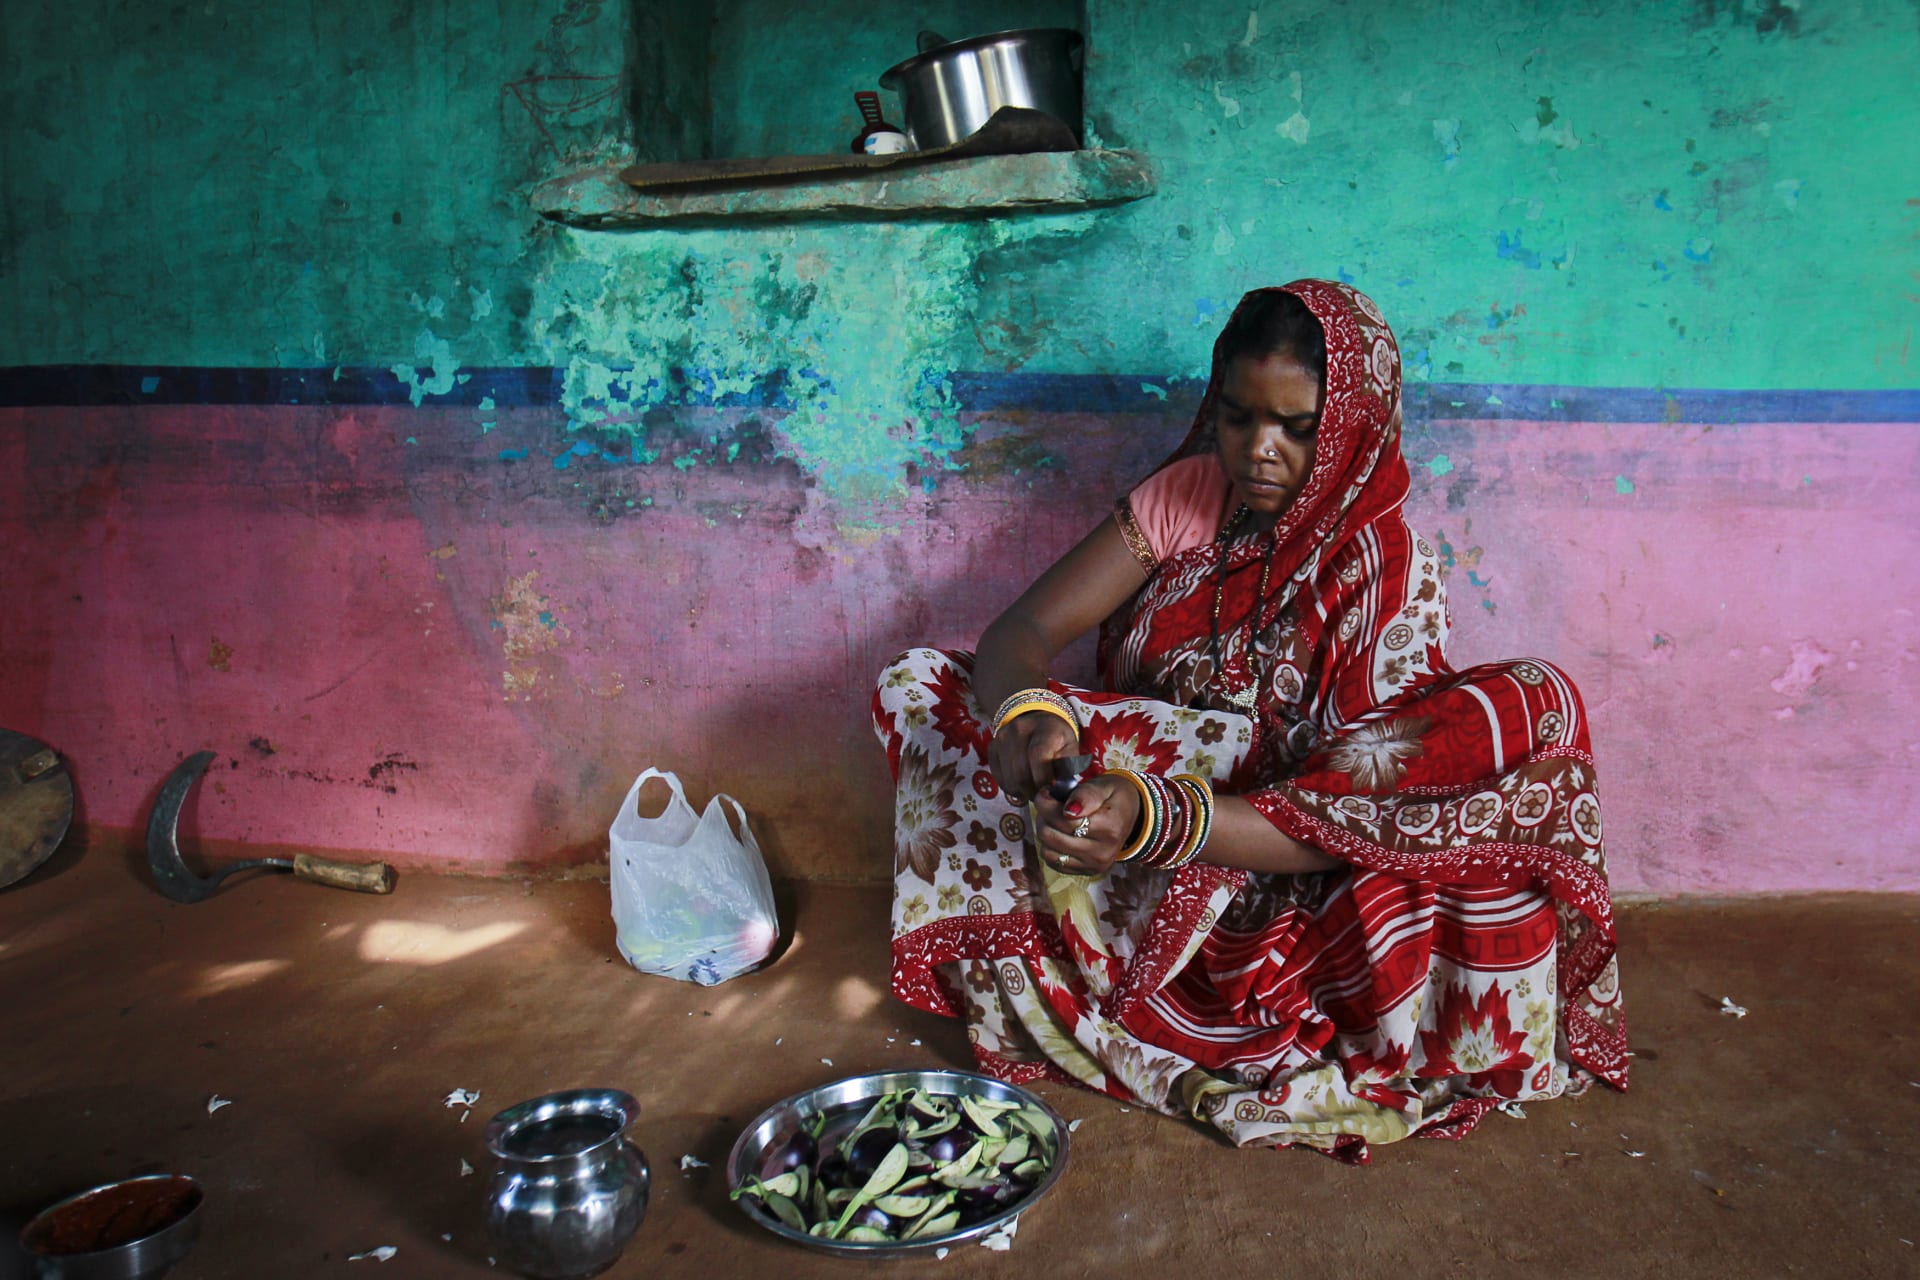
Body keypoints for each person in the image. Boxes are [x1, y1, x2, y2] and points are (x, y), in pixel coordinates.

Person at [872, 280, 1625, 1161]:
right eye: (1236, 418)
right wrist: (1033, 719)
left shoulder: (1382, 563)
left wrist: (1154, 817)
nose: (1256, 452)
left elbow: (1352, 815)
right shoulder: (1192, 494)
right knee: (921, 683)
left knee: (1527, 706)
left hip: (1267, 857)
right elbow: (1023, 633)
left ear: (1350, 425)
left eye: (1295, 429)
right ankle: (1068, 955)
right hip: (1111, 838)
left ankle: (1188, 981)